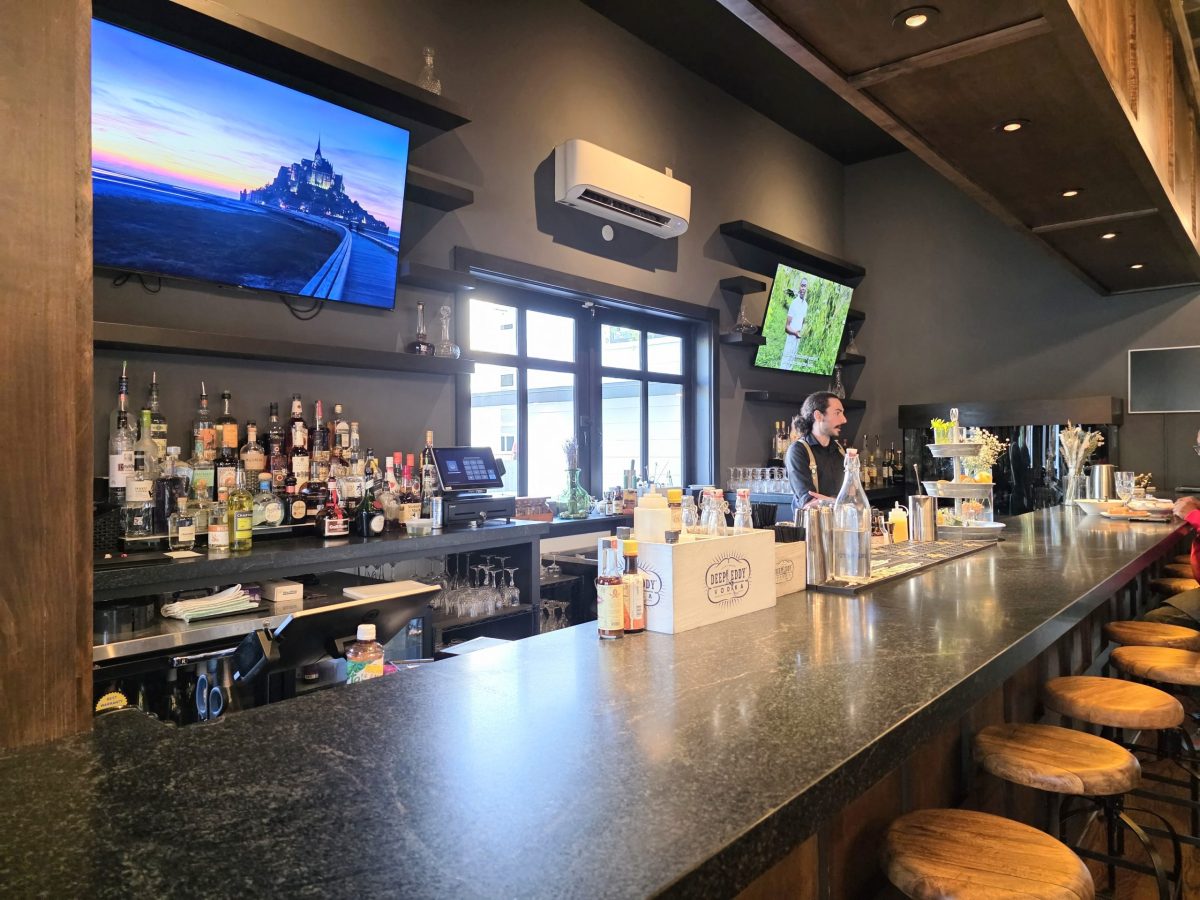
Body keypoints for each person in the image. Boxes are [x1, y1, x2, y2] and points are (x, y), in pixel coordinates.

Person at [785, 391, 848, 520]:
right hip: (811, 532)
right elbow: (809, 503)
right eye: (837, 413)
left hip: (839, 528)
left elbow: (853, 497)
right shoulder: (798, 451)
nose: (844, 419)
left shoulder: (840, 450)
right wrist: (840, 502)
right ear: (818, 415)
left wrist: (826, 501)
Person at [779, 278, 809, 371]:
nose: (803, 288)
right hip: (791, 338)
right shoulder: (794, 303)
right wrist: (795, 333)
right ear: (799, 287)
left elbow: (802, 323)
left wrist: (803, 331)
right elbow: (787, 327)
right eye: (802, 285)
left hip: (797, 340)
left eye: (805, 286)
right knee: (784, 365)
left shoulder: (805, 305)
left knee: (791, 366)